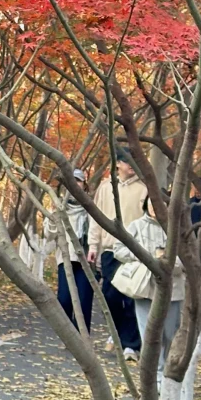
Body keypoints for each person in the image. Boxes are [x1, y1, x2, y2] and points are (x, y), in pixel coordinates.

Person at [112, 195, 185, 377]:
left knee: (170, 333)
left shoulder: (176, 229)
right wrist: (143, 256)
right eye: (152, 204)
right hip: (144, 287)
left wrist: (170, 263)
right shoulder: (136, 226)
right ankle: (156, 375)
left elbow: (188, 258)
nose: (156, 208)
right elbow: (118, 250)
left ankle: (169, 371)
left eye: (161, 205)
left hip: (172, 288)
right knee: (149, 334)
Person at [86, 149, 146, 361]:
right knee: (111, 296)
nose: (132, 166)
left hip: (136, 251)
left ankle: (131, 344)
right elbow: (95, 217)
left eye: (134, 162)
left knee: (132, 298)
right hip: (110, 250)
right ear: (118, 164)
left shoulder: (144, 188)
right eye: (127, 162)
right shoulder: (105, 187)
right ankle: (118, 334)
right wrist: (93, 246)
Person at [51, 169, 93, 332]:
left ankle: (82, 336)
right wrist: (54, 216)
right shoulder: (60, 207)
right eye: (72, 181)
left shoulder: (90, 207)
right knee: (64, 299)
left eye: (79, 181)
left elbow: (97, 232)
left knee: (83, 301)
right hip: (66, 258)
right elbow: (49, 235)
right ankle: (69, 335)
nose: (75, 184)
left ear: (84, 185)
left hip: (86, 259)